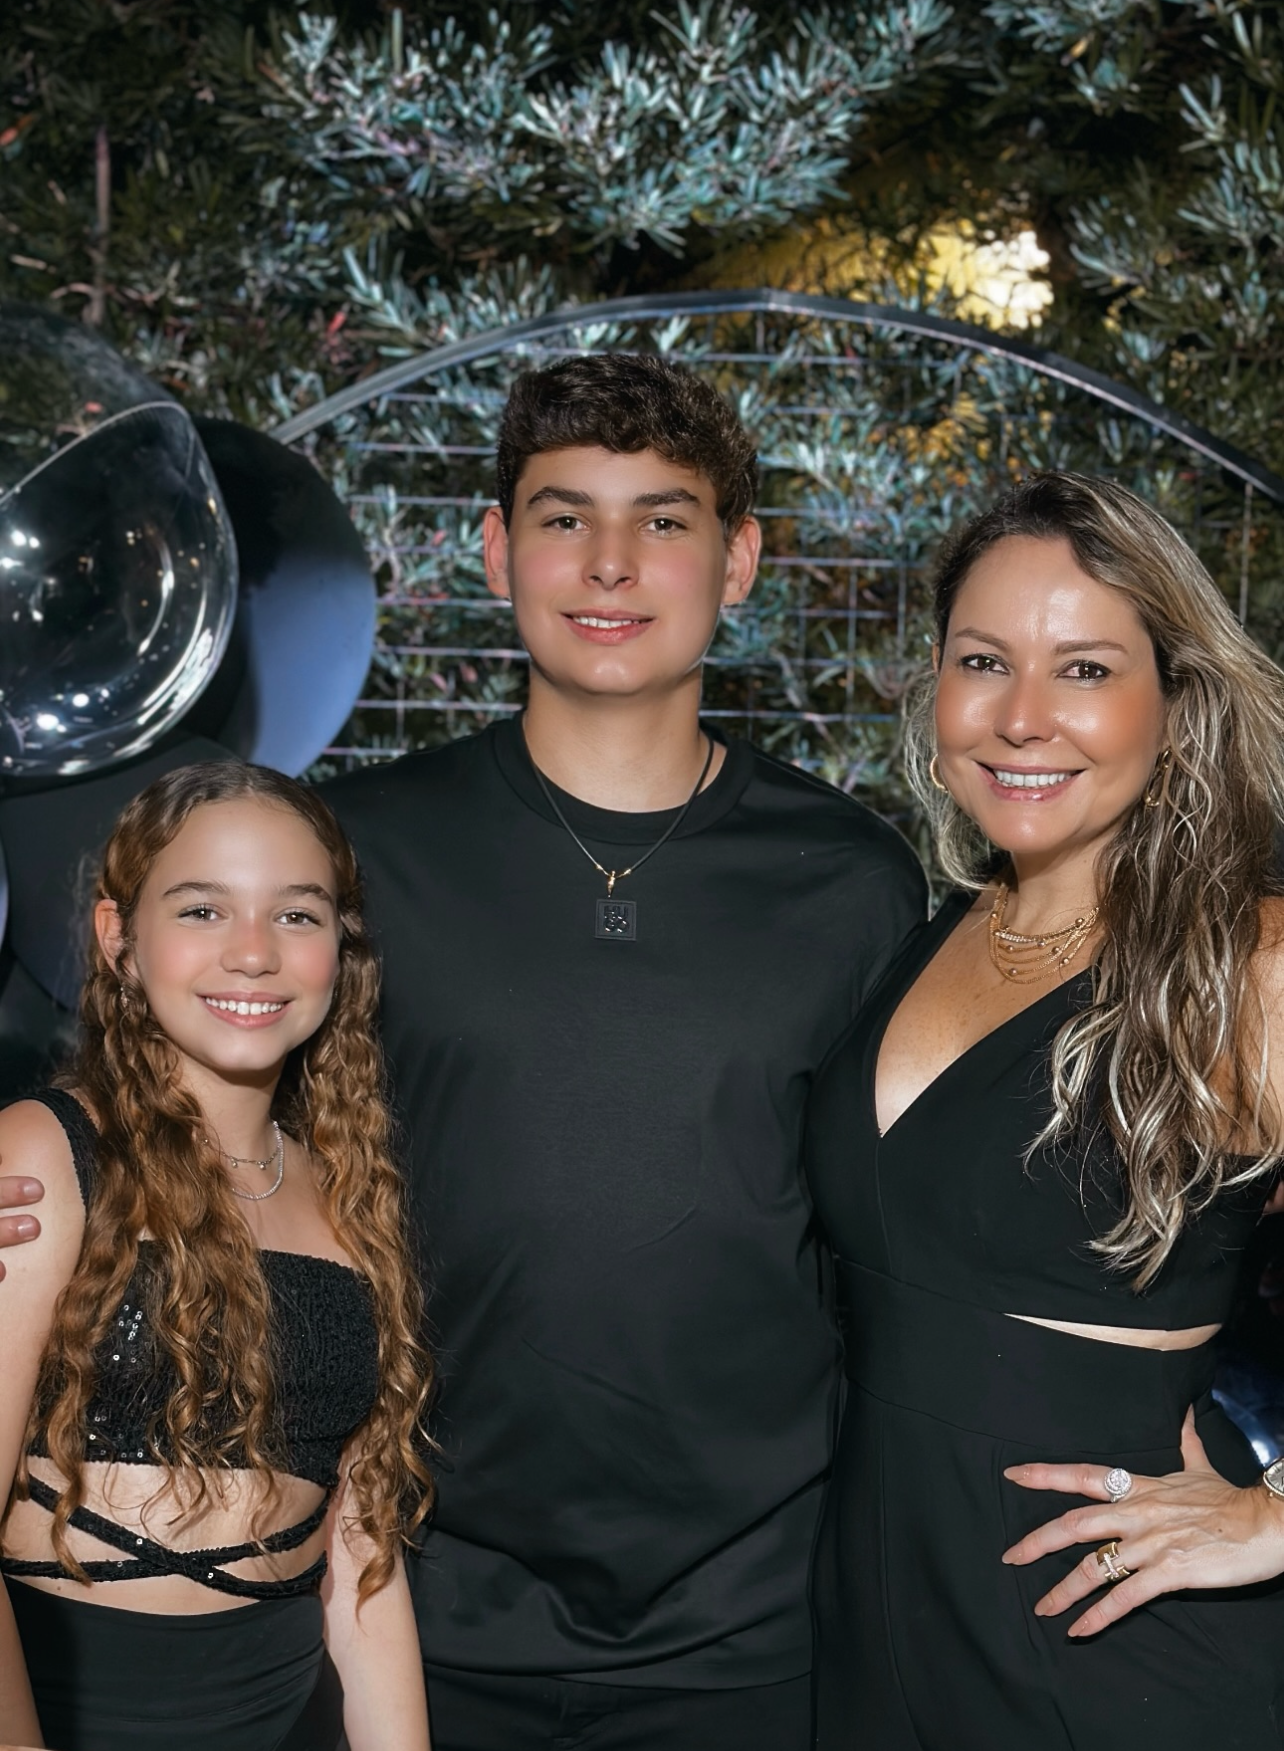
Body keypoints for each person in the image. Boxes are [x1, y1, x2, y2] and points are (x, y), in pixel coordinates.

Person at [314, 355, 926, 1749]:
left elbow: (914, 1231)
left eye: (662, 519)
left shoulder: (852, 881)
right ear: (496, 551)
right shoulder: (358, 853)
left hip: (754, 1618)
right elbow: (216, 1126)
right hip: (412, 1594)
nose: (609, 562)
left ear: (739, 560)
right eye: (563, 516)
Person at [803, 470, 1284, 1750]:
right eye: (983, 662)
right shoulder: (932, 936)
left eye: (1083, 670)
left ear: (1175, 701)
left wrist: (1275, 1513)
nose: (1022, 718)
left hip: (1109, 1649)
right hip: (873, 1618)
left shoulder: (1249, 966)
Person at [0, 761, 434, 1751]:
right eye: (202, 909)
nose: (252, 953)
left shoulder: (346, 1193)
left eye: (297, 914)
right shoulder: (42, 1158)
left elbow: (360, 1549)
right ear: (119, 939)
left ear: (342, 948)